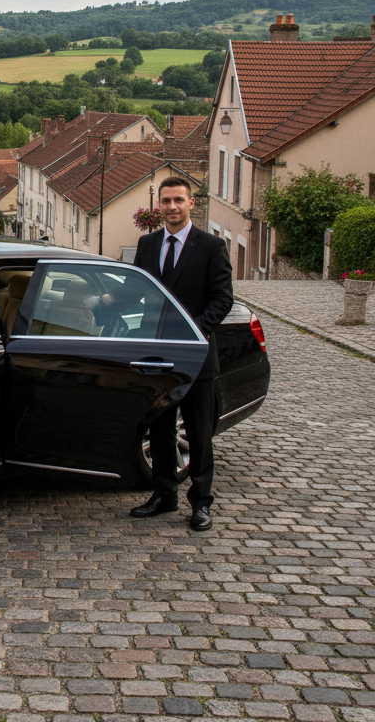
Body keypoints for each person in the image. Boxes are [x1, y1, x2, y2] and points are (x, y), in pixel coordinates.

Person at [129, 176, 233, 531]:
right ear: (158, 206)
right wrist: (105, 301)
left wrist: (194, 332)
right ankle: (164, 495)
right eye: (166, 201)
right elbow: (137, 291)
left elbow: (222, 299)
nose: (172, 206)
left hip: (196, 356)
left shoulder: (211, 246)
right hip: (157, 356)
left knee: (199, 434)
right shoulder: (147, 244)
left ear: (191, 203)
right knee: (160, 429)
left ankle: (201, 503)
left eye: (178, 200)